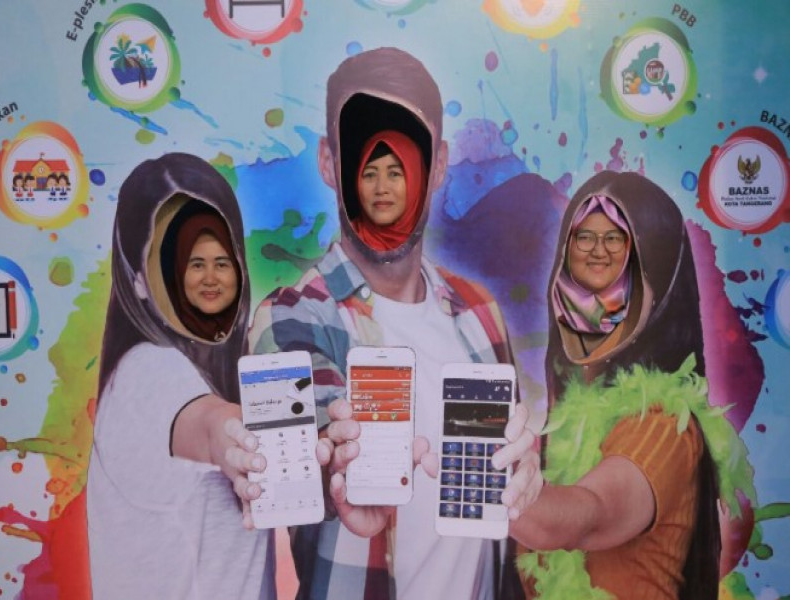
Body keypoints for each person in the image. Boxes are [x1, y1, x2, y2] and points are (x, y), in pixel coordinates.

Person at [250, 47, 541, 600]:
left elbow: (507, 497)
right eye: (363, 155)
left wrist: (527, 476)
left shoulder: (481, 312)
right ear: (329, 163)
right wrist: (337, 464)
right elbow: (305, 456)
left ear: (438, 165)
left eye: (404, 157)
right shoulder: (291, 316)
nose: (385, 188)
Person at [510, 171, 751, 599]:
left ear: (657, 278)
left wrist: (488, 480)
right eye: (584, 238)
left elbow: (590, 515)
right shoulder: (566, 426)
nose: (596, 256)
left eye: (616, 241)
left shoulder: (663, 425)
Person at [87, 152, 276, 600]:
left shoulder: (202, 373)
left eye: (220, 255)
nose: (209, 277)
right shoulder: (148, 372)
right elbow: (212, 426)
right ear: (137, 279)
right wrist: (244, 437)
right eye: (183, 258)